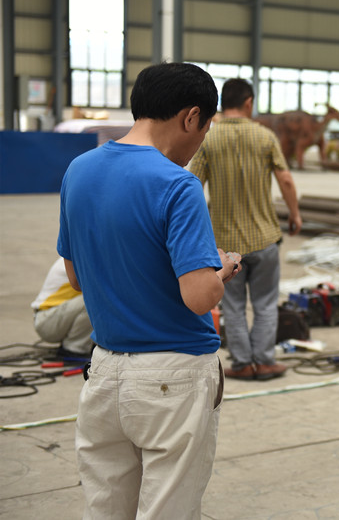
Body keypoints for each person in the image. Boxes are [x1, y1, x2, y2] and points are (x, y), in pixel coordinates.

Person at [57, 62, 241, 519]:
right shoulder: (177, 184)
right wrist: (220, 269)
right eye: (206, 129)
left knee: (105, 509)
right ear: (191, 117)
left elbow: (76, 278)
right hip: (172, 376)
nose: (200, 143)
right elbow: (199, 297)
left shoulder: (79, 170)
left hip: (104, 371)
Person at [190, 78, 302, 381]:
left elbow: (192, 185)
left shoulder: (208, 140)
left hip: (225, 247)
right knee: (265, 305)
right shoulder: (265, 136)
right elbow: (286, 179)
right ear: (248, 102)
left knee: (233, 306)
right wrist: (294, 214)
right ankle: (264, 362)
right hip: (264, 238)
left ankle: (242, 364)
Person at [31, 257, 94, 358]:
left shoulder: (82, 255)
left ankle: (81, 343)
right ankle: (74, 349)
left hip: (52, 317)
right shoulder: (81, 260)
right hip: (47, 321)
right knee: (94, 300)